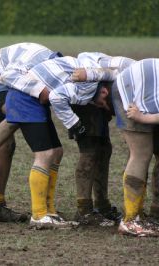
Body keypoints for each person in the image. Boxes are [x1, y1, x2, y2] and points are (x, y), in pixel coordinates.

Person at [0, 42, 62, 223]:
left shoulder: (51, 66)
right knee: (18, 112)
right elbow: (8, 75)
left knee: (8, 144)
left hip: (1, 78)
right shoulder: (37, 62)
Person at [78, 58, 159, 236]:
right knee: (141, 154)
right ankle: (131, 220)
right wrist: (142, 118)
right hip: (131, 89)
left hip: (144, 86)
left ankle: (154, 213)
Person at [68, 52, 135, 226]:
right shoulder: (129, 71)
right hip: (89, 88)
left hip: (106, 90)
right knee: (91, 149)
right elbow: (102, 71)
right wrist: (88, 76)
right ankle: (84, 210)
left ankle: (102, 205)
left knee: (104, 149)